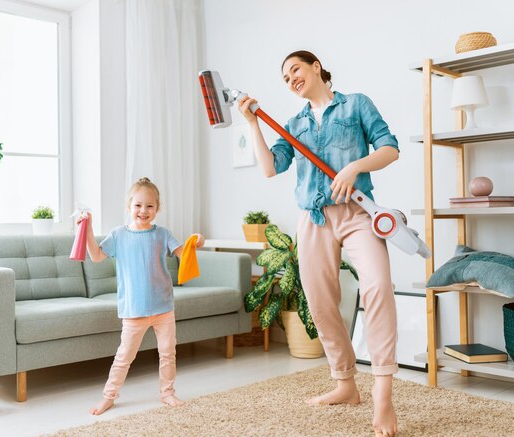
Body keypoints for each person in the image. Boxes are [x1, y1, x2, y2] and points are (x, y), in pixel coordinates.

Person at [238, 51, 400, 437]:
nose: (290, 77)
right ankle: (345, 383)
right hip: (313, 219)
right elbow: (269, 167)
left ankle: (382, 391)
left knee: (377, 285)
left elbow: (389, 148)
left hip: (358, 214)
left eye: (295, 68)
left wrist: (354, 166)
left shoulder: (356, 105)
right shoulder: (294, 124)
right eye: (284, 77)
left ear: (316, 67)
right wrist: (252, 124)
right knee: (322, 303)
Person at [81, 177, 205, 415]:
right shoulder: (118, 235)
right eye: (138, 205)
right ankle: (109, 396)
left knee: (168, 353)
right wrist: (88, 230)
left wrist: (198, 241)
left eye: (149, 206)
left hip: (163, 308)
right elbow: (96, 256)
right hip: (133, 310)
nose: (143, 210)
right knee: (124, 356)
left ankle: (167, 392)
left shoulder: (163, 234)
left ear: (157, 209)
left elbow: (184, 253)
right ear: (129, 207)